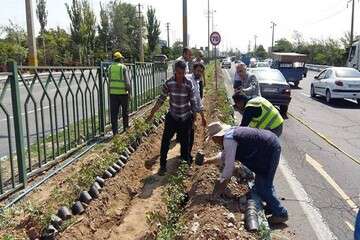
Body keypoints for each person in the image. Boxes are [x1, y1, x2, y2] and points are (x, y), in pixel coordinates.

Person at [206, 121, 289, 224]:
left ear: (216, 137)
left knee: (263, 185)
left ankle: (281, 214)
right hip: (267, 146)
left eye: (213, 139)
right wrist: (206, 160)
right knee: (263, 183)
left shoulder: (229, 139)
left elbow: (229, 167)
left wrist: (220, 186)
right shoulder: (230, 135)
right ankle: (272, 206)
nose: (214, 142)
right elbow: (223, 157)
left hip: (269, 149)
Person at [147, 60, 205, 176]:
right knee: (165, 141)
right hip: (173, 116)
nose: (181, 76)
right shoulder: (169, 83)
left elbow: (193, 103)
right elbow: (161, 99)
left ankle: (184, 167)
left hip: (185, 117)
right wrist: (152, 113)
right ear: (175, 72)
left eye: (183, 73)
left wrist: (194, 118)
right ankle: (162, 166)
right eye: (178, 73)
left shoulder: (189, 84)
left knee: (185, 143)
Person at [186, 62, 207, 156]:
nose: (199, 73)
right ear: (193, 70)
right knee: (187, 134)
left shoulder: (197, 82)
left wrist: (203, 117)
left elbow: (198, 100)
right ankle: (186, 156)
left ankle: (187, 155)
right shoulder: (187, 79)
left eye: (201, 72)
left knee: (190, 134)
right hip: (186, 112)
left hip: (192, 114)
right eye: (198, 71)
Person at [108, 51, 131, 135]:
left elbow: (109, 80)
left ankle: (115, 132)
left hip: (113, 93)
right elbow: (127, 83)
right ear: (120, 59)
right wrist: (130, 93)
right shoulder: (123, 67)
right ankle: (125, 128)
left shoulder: (110, 68)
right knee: (125, 111)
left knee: (114, 113)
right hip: (123, 93)